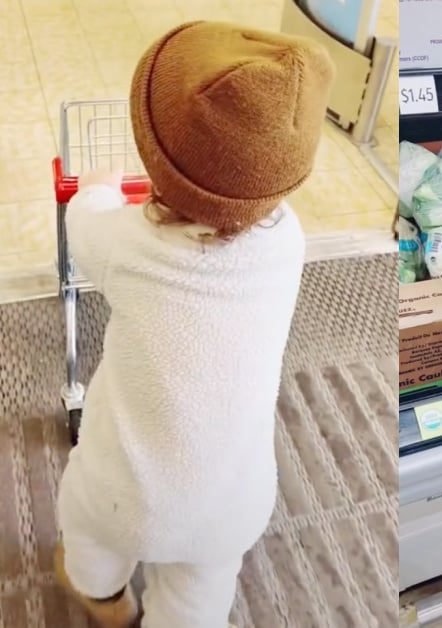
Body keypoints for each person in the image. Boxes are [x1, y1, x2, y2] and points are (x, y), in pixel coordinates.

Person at [53, 22, 334, 628]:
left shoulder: (129, 246)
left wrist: (98, 189)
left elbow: (86, 222)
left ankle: (103, 598)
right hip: (230, 502)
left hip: (120, 489)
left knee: (89, 528)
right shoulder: (288, 244)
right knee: (202, 590)